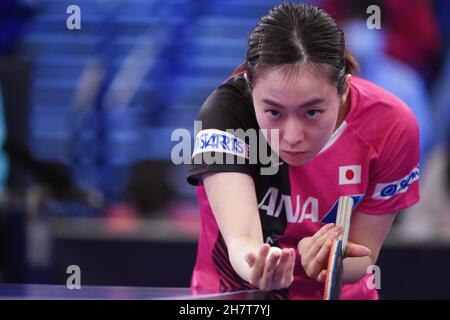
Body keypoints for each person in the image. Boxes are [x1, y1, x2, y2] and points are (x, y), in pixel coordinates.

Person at [186, 2, 420, 300]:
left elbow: (365, 254)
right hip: (237, 297)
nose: (293, 136)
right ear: (249, 85)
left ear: (344, 88)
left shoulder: (391, 126)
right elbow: (242, 239)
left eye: (312, 112)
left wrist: (330, 261)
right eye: (273, 112)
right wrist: (260, 265)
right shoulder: (225, 115)